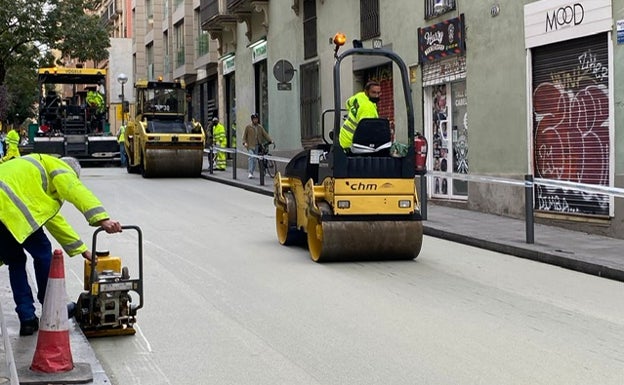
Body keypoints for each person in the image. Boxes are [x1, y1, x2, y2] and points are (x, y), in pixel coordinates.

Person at [0, 154, 122, 336]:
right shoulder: (58, 167)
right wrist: (102, 219)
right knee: (43, 255)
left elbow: (54, 221)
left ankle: (27, 319)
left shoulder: (35, 177)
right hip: (11, 208)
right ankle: (51, 304)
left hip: (4, 212)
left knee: (16, 261)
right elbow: (76, 190)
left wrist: (83, 250)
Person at [339, 81, 381, 151]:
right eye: (373, 92)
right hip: (352, 142)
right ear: (366, 92)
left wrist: (354, 113)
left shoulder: (360, 96)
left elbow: (348, 103)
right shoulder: (368, 108)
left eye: (378, 93)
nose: (376, 95)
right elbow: (367, 131)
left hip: (344, 137)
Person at [243, 113, 273, 179]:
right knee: (251, 157)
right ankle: (250, 172)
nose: (256, 120)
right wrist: (244, 142)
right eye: (254, 119)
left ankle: (252, 171)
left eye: (256, 119)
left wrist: (271, 140)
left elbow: (265, 134)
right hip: (250, 145)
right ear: (252, 120)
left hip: (257, 145)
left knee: (254, 160)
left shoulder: (260, 127)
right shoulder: (248, 127)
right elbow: (244, 136)